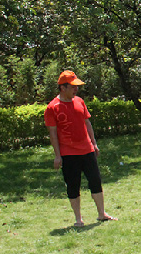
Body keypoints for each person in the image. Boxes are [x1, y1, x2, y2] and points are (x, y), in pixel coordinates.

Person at [45, 70, 117, 227]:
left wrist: (94, 143)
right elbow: (53, 134)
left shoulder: (79, 101)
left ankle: (101, 214)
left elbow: (87, 123)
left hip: (87, 150)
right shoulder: (52, 107)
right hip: (68, 153)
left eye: (76, 87)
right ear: (62, 88)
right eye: (72, 87)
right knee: (73, 185)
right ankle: (78, 219)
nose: (76, 90)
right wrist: (57, 156)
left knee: (95, 181)